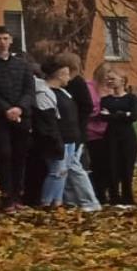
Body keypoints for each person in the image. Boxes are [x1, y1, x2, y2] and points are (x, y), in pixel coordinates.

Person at [32, 56, 100, 211]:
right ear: (59, 74)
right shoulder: (45, 93)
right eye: (67, 74)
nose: (69, 78)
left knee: (63, 172)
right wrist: (56, 140)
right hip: (59, 139)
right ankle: (47, 202)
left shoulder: (64, 92)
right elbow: (49, 121)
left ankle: (58, 200)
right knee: (57, 171)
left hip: (70, 139)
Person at [0, 26, 34, 210]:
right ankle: (6, 194)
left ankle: (18, 194)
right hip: (0, 118)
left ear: (11, 40)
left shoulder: (22, 65)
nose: (2, 42)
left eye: (5, 38)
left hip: (21, 116)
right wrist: (6, 109)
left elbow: (29, 90)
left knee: (20, 155)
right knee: (4, 154)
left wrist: (19, 108)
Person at [92, 69, 137, 208]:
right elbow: (103, 116)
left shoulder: (131, 98)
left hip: (127, 136)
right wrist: (123, 114)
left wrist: (115, 114)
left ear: (122, 80)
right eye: (108, 79)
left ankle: (128, 197)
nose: (109, 81)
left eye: (112, 78)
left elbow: (134, 116)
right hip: (111, 136)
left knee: (127, 166)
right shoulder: (106, 99)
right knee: (112, 166)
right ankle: (114, 197)